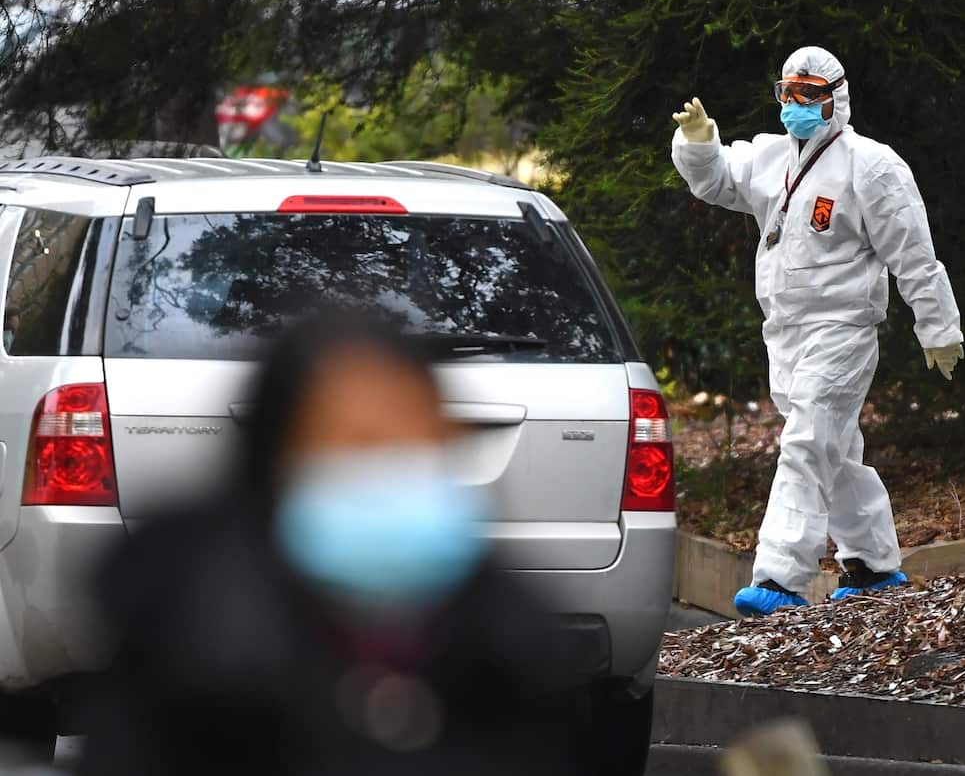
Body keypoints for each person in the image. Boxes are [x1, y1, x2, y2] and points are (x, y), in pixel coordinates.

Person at [79, 312, 593, 776]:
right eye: (360, 445)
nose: (397, 473)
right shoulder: (190, 656)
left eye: (423, 444)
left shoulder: (514, 658)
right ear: (274, 465)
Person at [670, 46, 964, 617]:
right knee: (834, 449)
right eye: (788, 92)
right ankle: (874, 565)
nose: (796, 104)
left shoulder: (870, 165)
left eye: (809, 93)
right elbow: (718, 183)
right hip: (784, 330)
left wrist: (937, 326)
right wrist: (700, 143)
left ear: (837, 99)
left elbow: (914, 254)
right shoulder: (769, 158)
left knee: (806, 441)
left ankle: (780, 576)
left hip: (844, 328)